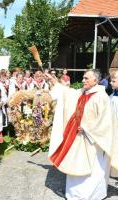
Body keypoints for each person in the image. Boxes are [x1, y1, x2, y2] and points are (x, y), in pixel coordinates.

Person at [47, 69, 118, 200]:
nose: (83, 80)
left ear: (95, 81)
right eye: (83, 78)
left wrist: (86, 129)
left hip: (94, 142)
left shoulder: (101, 97)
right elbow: (68, 93)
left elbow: (105, 122)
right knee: (75, 163)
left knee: (93, 171)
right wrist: (54, 82)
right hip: (78, 137)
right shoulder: (84, 92)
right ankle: (74, 194)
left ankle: (90, 196)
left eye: (86, 78)